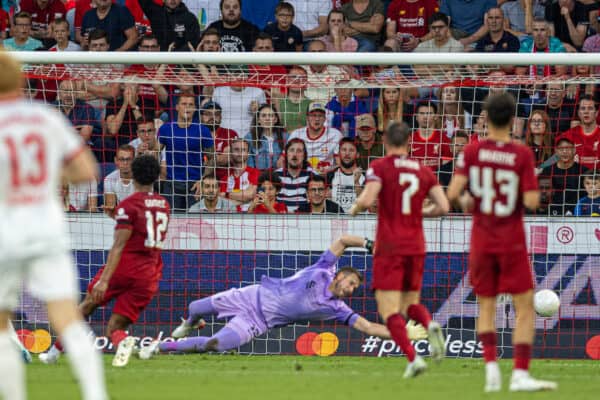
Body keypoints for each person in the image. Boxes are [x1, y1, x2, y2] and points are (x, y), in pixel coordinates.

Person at [0, 50, 107, 400]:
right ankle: (95, 394)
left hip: (6, 231)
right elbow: (86, 172)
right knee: (67, 318)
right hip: (46, 228)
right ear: (21, 79)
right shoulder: (45, 117)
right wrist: (47, 175)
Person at [138, 235, 428, 358]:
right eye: (351, 282)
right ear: (340, 276)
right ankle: (191, 322)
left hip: (259, 321)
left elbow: (368, 327)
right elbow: (342, 241)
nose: (351, 289)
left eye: (354, 288)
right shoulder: (324, 268)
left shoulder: (337, 308)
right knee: (195, 307)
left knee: (216, 344)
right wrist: (369, 244)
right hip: (251, 296)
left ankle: (161, 348)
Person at [446, 93, 558, 392]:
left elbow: (453, 193)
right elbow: (534, 200)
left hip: (482, 238)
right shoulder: (521, 154)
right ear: (512, 120)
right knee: (523, 306)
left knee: (486, 306)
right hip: (511, 239)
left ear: (485, 118)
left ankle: (492, 369)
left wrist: (474, 200)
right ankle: (520, 373)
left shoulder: (471, 151)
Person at [40, 155, 170, 369]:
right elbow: (143, 229)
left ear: (133, 175)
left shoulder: (129, 205)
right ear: (156, 177)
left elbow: (119, 245)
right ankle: (124, 341)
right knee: (114, 327)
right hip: (149, 273)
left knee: (86, 306)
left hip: (124, 267)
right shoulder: (164, 205)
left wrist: (105, 280)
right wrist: (118, 217)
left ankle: (54, 353)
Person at [349, 121, 449, 378]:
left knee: (389, 310)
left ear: (385, 141)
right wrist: (420, 211)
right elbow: (444, 207)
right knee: (410, 304)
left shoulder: (380, 167)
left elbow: (368, 199)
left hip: (390, 246)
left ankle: (414, 359)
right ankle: (430, 324)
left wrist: (356, 208)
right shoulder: (423, 170)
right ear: (409, 142)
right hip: (415, 245)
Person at [103, 144, 136, 215]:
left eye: (128, 159)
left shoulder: (143, 178)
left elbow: (143, 207)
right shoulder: (109, 179)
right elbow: (111, 209)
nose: (125, 163)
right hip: (119, 217)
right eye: (121, 159)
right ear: (116, 160)